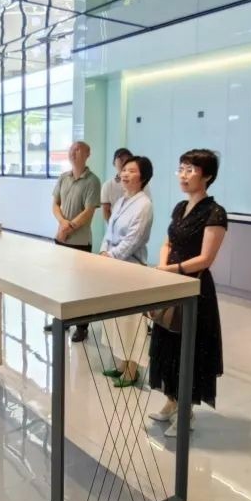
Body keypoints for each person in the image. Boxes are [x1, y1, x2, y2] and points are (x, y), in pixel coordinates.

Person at [147, 149, 228, 438]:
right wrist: (163, 267)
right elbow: (167, 242)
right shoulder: (180, 207)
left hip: (195, 288)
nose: (183, 175)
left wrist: (170, 270)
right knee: (166, 343)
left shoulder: (215, 213)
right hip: (171, 282)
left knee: (188, 349)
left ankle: (186, 412)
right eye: (181, 168)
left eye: (191, 170)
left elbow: (206, 259)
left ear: (207, 176)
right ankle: (171, 400)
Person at [99, 155, 154, 386]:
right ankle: (121, 364)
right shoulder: (122, 200)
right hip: (113, 267)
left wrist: (110, 256)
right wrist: (104, 251)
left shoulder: (144, 204)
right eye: (124, 170)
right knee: (116, 319)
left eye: (131, 171)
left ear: (143, 177)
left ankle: (132, 371)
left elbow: (133, 240)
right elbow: (109, 231)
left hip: (131, 269)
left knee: (130, 321)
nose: (125, 174)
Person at [46, 141, 101, 342]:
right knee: (61, 283)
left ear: (87, 154)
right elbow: (55, 204)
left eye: (78, 149)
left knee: (80, 287)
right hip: (61, 239)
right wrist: (62, 224)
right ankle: (61, 321)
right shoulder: (63, 178)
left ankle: (82, 327)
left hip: (80, 242)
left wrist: (68, 229)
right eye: (71, 148)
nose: (73, 151)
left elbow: (88, 212)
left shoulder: (93, 181)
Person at [101, 148, 134, 223]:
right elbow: (106, 211)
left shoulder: (140, 183)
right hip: (115, 227)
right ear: (114, 163)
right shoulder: (107, 185)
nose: (124, 163)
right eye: (121, 160)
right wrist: (114, 227)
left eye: (128, 160)